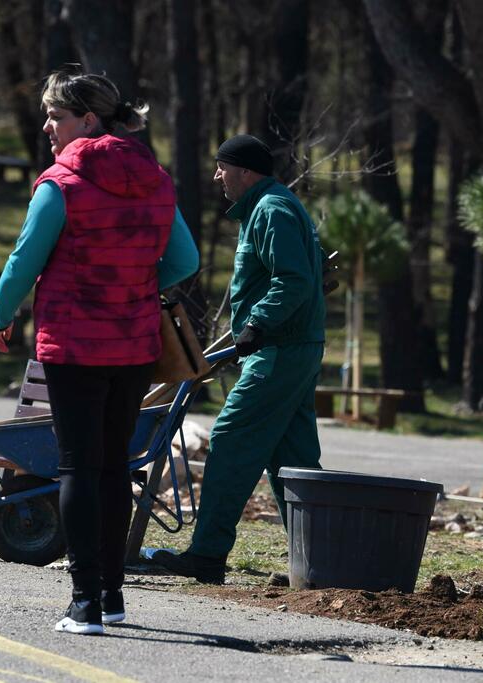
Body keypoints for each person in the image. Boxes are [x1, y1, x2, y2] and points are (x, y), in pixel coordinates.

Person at [0, 68, 198, 635]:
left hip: (74, 345)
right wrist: (133, 282)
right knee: (113, 467)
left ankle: (82, 604)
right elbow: (184, 261)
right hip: (133, 345)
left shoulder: (60, 184)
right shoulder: (156, 179)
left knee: (77, 466)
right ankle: (111, 596)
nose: (47, 127)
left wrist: (0, 317)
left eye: (55, 115)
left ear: (88, 120)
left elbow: (23, 260)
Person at [155, 135, 326, 584]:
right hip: (292, 346)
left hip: (279, 349)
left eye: (222, 167)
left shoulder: (271, 209)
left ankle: (207, 554)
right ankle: (320, 563)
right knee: (294, 458)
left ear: (245, 171)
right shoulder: (275, 207)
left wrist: (258, 324)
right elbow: (307, 274)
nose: (216, 176)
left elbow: (293, 280)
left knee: (230, 439)